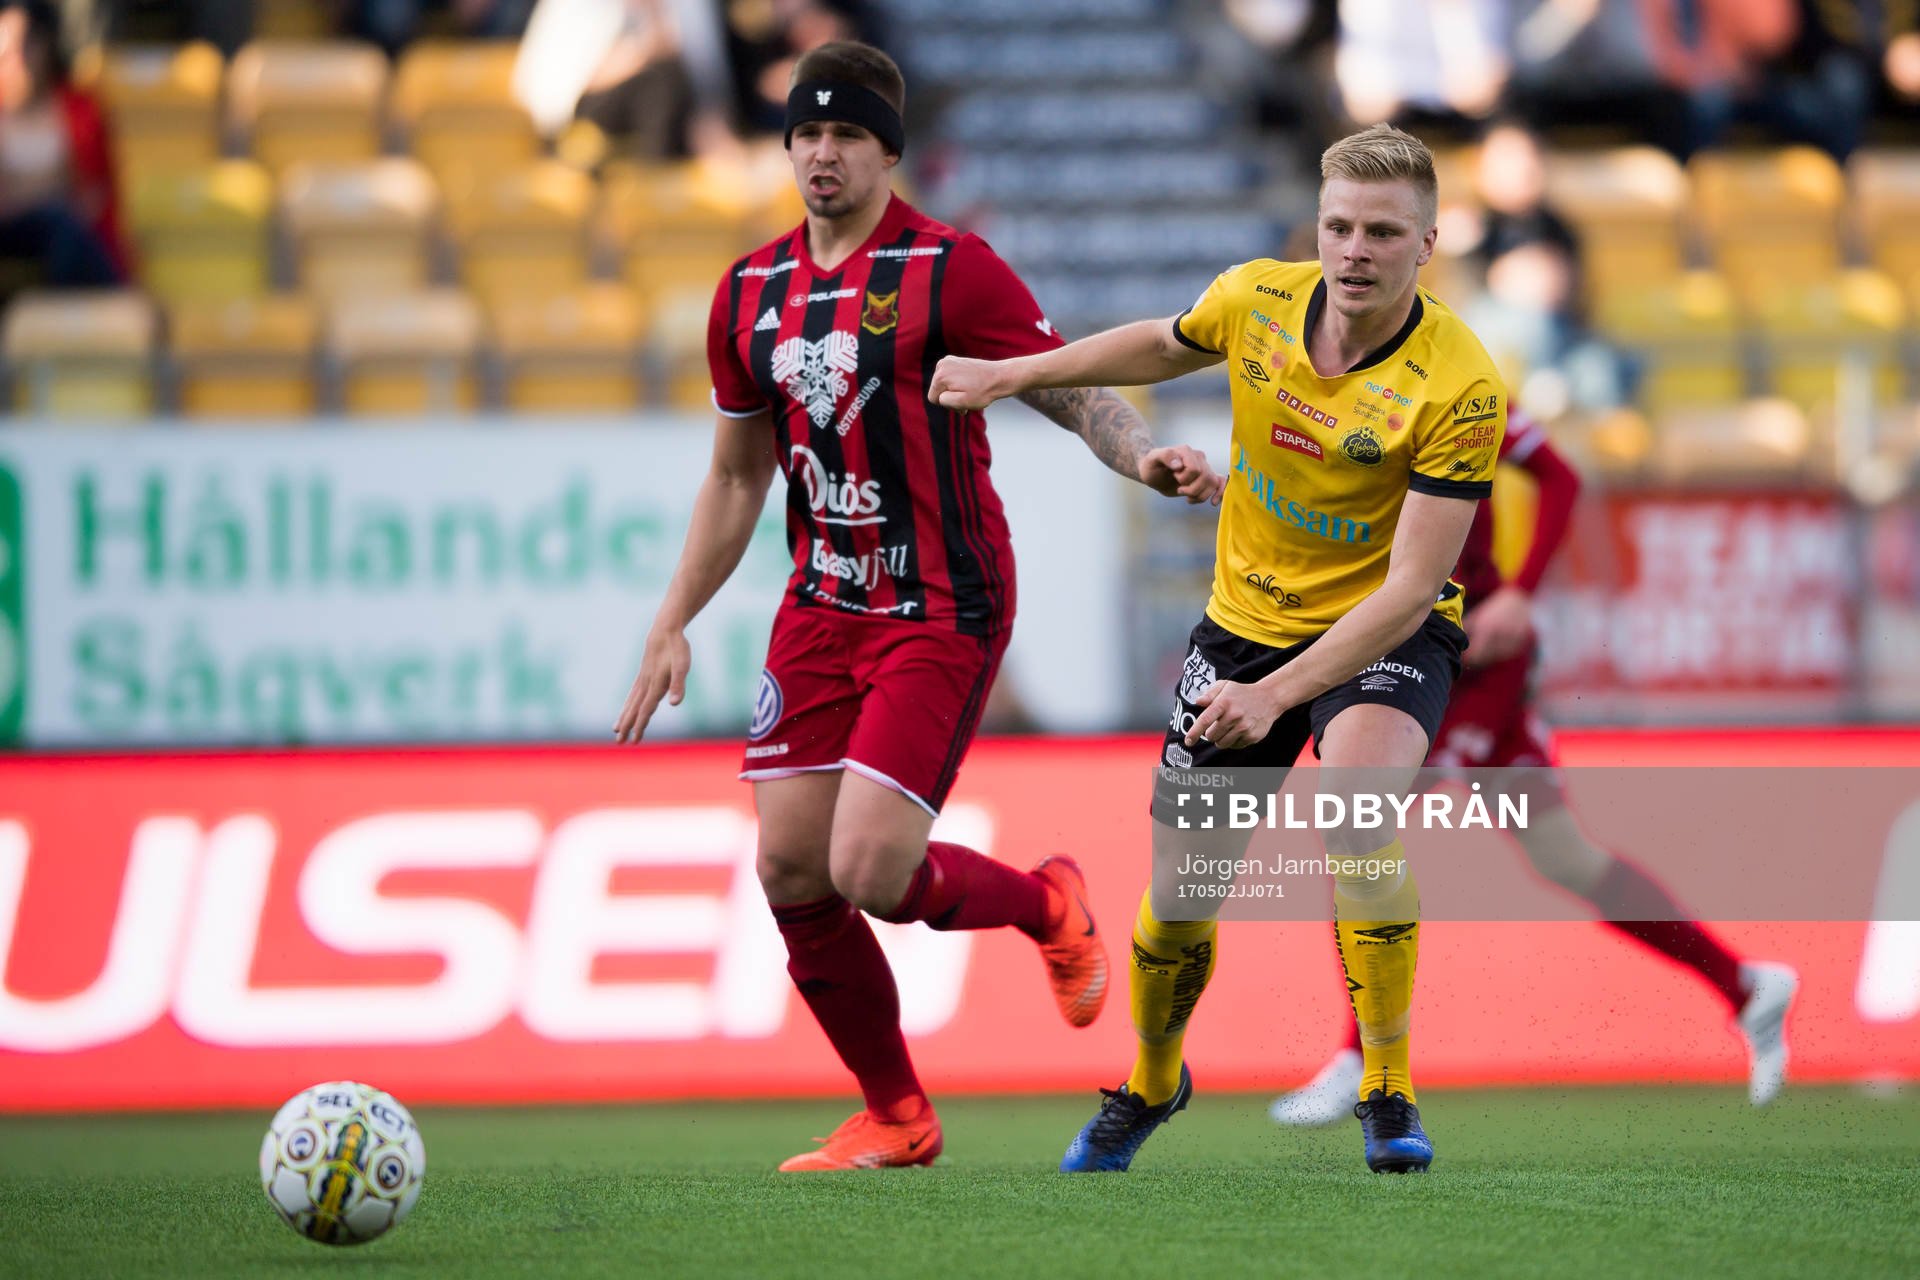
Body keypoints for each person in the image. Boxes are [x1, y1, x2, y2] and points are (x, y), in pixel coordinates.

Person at [613, 40, 1224, 1172]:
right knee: (789, 869)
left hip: (940, 599)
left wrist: (1141, 457)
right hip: (820, 603)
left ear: (888, 152)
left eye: (846, 135)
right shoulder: (747, 291)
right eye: (806, 133)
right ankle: (897, 1113)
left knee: (869, 871)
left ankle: (1048, 902)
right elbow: (740, 474)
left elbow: (1072, 388)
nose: (822, 153)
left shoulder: (952, 270)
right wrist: (672, 616)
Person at [931, 122, 1503, 1174]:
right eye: (1339, 226)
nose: (1355, 250)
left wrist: (1278, 693)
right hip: (1243, 623)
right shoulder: (1259, 297)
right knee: (1181, 895)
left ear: (1428, 242)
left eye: (1383, 231)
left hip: (1382, 629)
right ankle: (1152, 1079)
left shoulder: (1459, 382)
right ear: (1317, 228)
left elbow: (1414, 586)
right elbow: (1159, 340)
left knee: (1358, 815)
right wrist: (1017, 376)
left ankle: (1387, 1081)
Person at [1269, 407, 1800, 1125]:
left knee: (1357, 825)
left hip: (1469, 652)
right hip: (1386, 645)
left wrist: (1520, 591)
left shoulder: (1455, 382)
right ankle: (1744, 985)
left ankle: (1362, 1058)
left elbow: (1559, 473)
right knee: (1556, 857)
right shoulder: (1312, 384)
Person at [0, 0, 128, 292]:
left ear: (47, 45)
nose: (17, 61)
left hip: (60, 233)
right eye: (5, 52)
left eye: (27, 47)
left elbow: (99, 195)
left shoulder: (81, 110)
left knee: (65, 228)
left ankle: (80, 322)